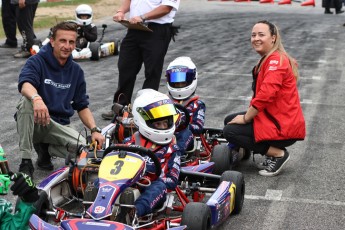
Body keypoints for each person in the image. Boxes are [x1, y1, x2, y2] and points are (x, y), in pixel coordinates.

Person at [15, 21, 105, 179]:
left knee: (85, 151)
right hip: (36, 121)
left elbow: (82, 106)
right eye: (62, 41)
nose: (67, 46)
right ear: (52, 41)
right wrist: (37, 99)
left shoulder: (76, 71)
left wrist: (94, 129)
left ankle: (45, 150)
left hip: (58, 126)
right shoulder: (37, 61)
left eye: (71, 42)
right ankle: (26, 162)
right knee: (26, 102)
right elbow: (25, 85)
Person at [223, 20, 306, 177]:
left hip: (282, 125)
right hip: (276, 118)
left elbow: (265, 96)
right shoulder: (270, 58)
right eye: (253, 35)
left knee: (230, 131)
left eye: (261, 35)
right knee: (230, 119)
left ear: (273, 38)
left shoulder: (276, 61)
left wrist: (246, 118)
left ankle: (278, 154)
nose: (256, 38)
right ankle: (247, 152)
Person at [101, 0, 181, 120]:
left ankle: (145, 110)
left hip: (157, 30)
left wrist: (143, 17)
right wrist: (121, 11)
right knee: (125, 67)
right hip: (135, 27)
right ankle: (120, 107)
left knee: (152, 71)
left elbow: (166, 8)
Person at [118, 89, 181, 223]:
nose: (163, 127)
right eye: (158, 123)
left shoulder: (171, 149)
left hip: (150, 186)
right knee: (99, 182)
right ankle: (93, 208)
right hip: (123, 182)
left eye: (165, 123)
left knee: (159, 188)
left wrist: (151, 179)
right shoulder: (129, 142)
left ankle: (132, 213)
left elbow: (173, 180)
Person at [166, 56, 206, 155]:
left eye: (182, 81)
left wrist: (182, 123)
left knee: (185, 133)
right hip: (164, 133)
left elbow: (198, 128)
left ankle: (175, 155)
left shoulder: (197, 104)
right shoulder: (164, 101)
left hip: (185, 136)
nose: (178, 83)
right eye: (175, 81)